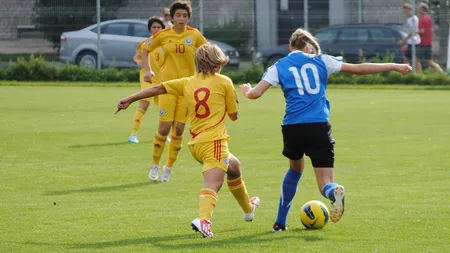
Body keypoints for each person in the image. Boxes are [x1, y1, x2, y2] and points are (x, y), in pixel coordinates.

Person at [240, 28, 412, 232]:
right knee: (325, 183)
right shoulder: (322, 60)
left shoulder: (279, 65)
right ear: (309, 47)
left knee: (295, 170)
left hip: (292, 127)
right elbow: (359, 69)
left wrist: (247, 91)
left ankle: (280, 222)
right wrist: (394, 65)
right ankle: (333, 193)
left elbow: (255, 94)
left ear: (290, 47)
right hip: (318, 126)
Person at [116, 42, 260, 238]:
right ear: (217, 63)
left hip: (196, 145)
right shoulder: (224, 82)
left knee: (234, 167)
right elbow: (234, 117)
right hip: (214, 142)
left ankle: (248, 209)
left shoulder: (187, 82)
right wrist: (236, 100)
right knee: (213, 183)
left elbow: (158, 88)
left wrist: (130, 99)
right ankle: (204, 220)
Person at [142, 1, 207, 183]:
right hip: (168, 87)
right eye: (178, 15)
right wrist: (148, 71)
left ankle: (169, 166)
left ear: (189, 17)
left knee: (179, 128)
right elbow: (145, 50)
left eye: (184, 15)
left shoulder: (194, 35)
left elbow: (208, 52)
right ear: (171, 17)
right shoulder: (163, 35)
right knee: (164, 128)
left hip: (187, 88)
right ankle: (155, 164)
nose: (181, 18)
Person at [128, 17, 165, 144]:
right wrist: (138, 61)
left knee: (164, 108)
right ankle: (133, 134)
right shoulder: (144, 43)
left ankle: (163, 134)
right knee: (144, 104)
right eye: (153, 27)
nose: (156, 29)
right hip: (147, 78)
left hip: (161, 79)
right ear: (150, 29)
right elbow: (136, 57)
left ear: (162, 29)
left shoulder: (166, 44)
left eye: (158, 27)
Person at [417, 2, 444, 73]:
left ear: (422, 9)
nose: (418, 9)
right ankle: (442, 72)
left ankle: (419, 77)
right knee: (429, 61)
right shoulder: (429, 18)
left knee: (417, 60)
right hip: (429, 42)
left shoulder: (422, 19)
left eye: (419, 8)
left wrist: (415, 32)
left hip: (423, 43)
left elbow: (422, 31)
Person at [397, 3, 422, 72]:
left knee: (416, 59)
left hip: (415, 42)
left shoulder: (414, 19)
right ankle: (406, 73)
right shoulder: (409, 19)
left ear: (409, 10)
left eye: (406, 11)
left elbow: (412, 32)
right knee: (405, 58)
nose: (405, 13)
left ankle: (420, 75)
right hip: (410, 42)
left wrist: (403, 41)